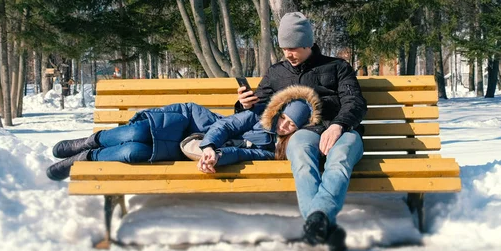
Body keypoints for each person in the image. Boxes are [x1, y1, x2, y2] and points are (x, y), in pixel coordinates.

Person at [236, 12, 367, 251]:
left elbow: (355, 103)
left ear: (308, 43)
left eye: (294, 47)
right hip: (305, 132)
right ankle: (324, 224)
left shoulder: (338, 67)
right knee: (299, 153)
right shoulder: (277, 73)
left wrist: (338, 125)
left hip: (344, 130)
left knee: (339, 160)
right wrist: (244, 104)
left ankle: (318, 223)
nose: (288, 54)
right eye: (284, 48)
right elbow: (259, 108)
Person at [46, 85, 321, 181]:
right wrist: (211, 145)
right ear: (280, 111)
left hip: (190, 144)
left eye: (291, 126)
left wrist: (216, 156)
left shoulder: (268, 151)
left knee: (135, 151)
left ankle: (85, 158)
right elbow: (225, 126)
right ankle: (89, 141)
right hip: (191, 122)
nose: (284, 125)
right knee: (138, 132)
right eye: (284, 118)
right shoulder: (259, 114)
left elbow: (240, 153)